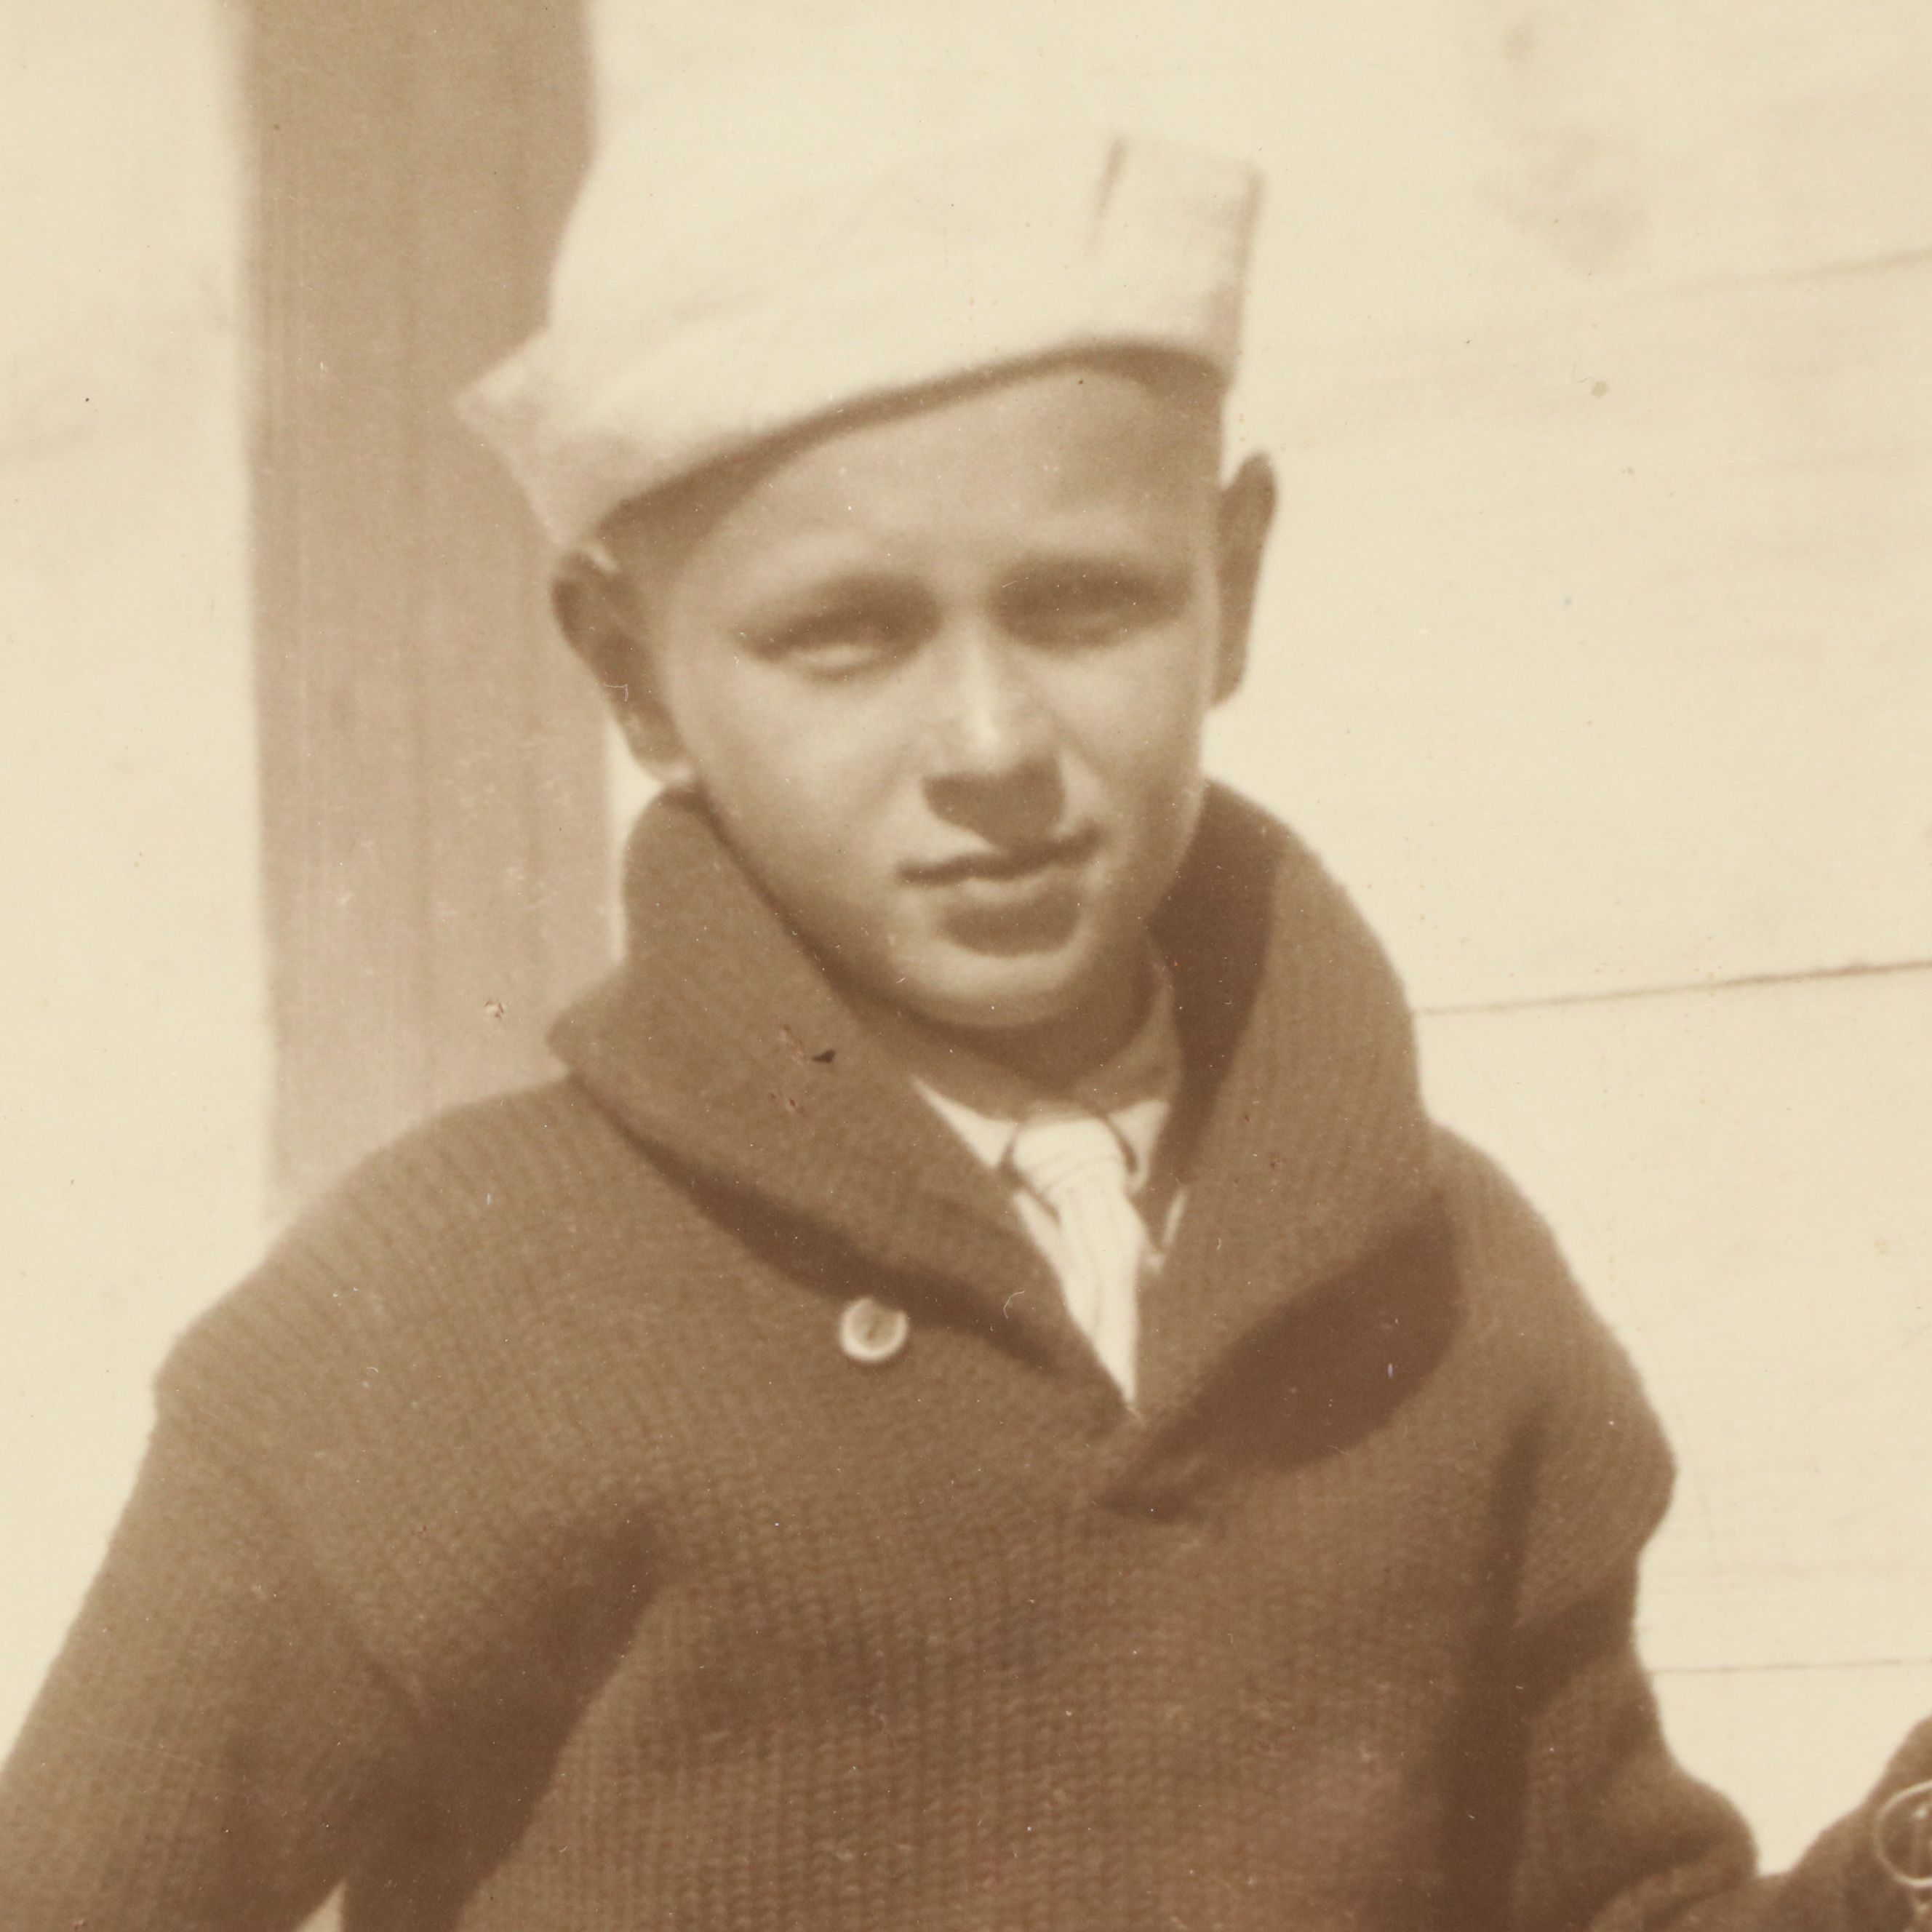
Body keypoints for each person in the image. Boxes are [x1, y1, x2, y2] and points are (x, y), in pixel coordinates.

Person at [0, 126, 1926, 1932]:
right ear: (629, 669)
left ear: (1232, 585)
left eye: (1087, 606)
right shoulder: (425, 1319)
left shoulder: (1455, 1290)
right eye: (844, 634)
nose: (995, 750)